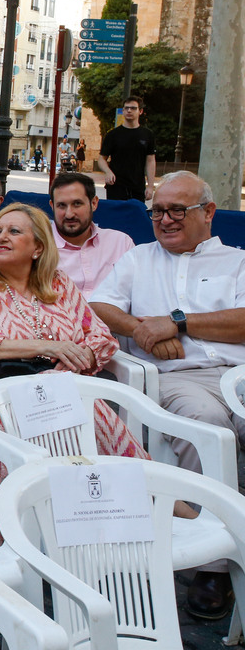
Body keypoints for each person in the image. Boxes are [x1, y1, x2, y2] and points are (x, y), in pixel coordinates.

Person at [89, 171, 245, 619]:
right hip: (179, 376)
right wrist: (142, 328)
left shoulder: (235, 261)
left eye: (178, 209)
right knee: (207, 429)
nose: (165, 219)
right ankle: (212, 563)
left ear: (208, 213)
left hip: (238, 371)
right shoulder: (139, 259)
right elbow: (100, 305)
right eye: (157, 211)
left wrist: (176, 322)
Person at [0, 203, 145, 546]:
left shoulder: (58, 286)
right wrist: (47, 347)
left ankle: (113, 518)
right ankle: (12, 542)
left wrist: (78, 357)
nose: (1, 237)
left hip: (61, 388)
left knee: (84, 408)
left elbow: (102, 338)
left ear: (37, 248)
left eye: (14, 231)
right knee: (77, 411)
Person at [49, 171, 134, 297]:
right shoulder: (37, 247)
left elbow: (139, 292)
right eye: (61, 205)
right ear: (52, 206)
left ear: (93, 203)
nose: (69, 214)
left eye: (77, 204)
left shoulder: (120, 243)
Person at [97, 95, 156, 202]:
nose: (129, 110)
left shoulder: (147, 134)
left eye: (133, 108)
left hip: (137, 186)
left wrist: (150, 186)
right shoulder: (112, 135)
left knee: (136, 217)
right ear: (123, 110)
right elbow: (102, 159)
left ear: (140, 111)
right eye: (126, 108)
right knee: (116, 217)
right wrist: (108, 171)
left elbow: (150, 160)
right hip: (116, 186)